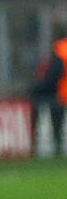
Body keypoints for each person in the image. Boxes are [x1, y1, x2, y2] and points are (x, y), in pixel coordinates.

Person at [30, 22, 67, 156]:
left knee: (41, 103)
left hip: (62, 92)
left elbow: (54, 75)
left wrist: (38, 87)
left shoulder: (60, 49)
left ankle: (52, 145)